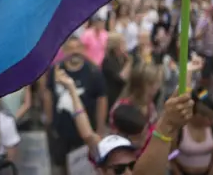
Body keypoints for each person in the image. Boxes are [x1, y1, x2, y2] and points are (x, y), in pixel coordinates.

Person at [54, 63, 194, 175]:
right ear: (100, 169)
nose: (128, 173)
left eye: (133, 166)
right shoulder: (110, 147)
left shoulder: (145, 156)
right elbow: (87, 134)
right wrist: (72, 89)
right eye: (119, 170)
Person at [40, 36, 107, 174]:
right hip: (61, 130)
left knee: (84, 167)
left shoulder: (93, 72)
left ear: (83, 49)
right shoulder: (56, 70)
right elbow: (48, 93)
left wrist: (100, 128)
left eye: (78, 47)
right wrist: (49, 119)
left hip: (85, 132)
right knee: (61, 166)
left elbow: (102, 99)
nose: (75, 51)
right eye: (70, 48)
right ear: (64, 51)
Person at [171, 91, 213, 175]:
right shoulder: (181, 129)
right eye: (209, 118)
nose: (212, 122)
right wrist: (177, 171)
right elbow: (170, 156)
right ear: (197, 115)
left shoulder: (212, 130)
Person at [101, 33, 133, 109]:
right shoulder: (108, 61)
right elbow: (121, 78)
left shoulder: (123, 58)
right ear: (116, 46)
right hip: (112, 96)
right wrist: (129, 62)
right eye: (123, 43)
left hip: (122, 95)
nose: (125, 45)